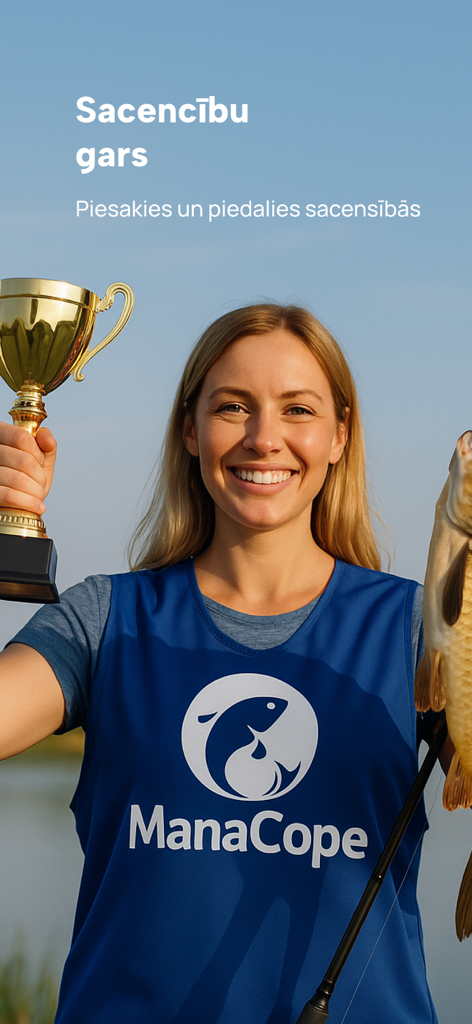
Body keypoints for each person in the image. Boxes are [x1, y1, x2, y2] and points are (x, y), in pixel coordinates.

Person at [0, 303, 439, 1023]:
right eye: (233, 407)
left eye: (298, 409)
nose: (265, 439)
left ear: (339, 436)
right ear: (190, 430)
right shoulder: (108, 619)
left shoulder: (419, 631)